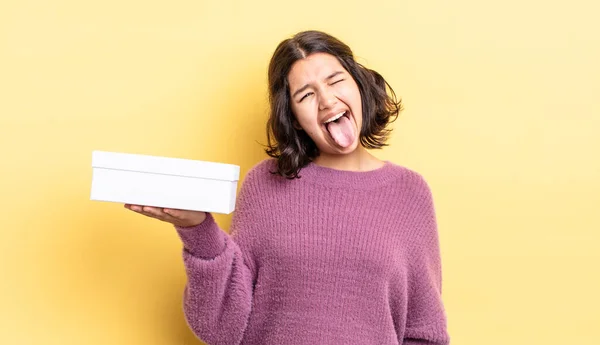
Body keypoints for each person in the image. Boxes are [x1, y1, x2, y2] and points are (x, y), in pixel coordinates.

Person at [125, 30, 450, 345]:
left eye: (335, 81)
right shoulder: (264, 183)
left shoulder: (410, 193)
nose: (326, 100)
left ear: (359, 86)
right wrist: (198, 229)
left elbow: (425, 332)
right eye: (306, 95)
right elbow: (220, 329)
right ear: (294, 118)